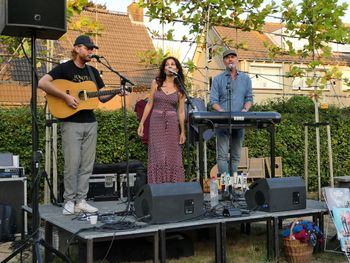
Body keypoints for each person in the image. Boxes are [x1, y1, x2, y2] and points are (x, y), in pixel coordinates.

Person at [38, 35, 118, 215]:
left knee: (87, 165)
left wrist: (117, 92)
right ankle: (69, 200)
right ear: (76, 49)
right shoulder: (64, 68)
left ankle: (81, 200)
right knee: (72, 164)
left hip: (90, 123)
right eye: (88, 48)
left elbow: (101, 97)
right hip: (70, 122)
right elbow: (43, 83)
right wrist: (65, 96)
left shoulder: (93, 72)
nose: (91, 52)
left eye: (92, 49)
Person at [137, 56, 186, 184]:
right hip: (156, 122)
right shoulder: (156, 83)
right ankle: (157, 186)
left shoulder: (180, 88)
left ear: (177, 68)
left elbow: (181, 111)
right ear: (164, 69)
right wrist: (141, 123)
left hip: (172, 123)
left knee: (172, 155)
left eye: (173, 64)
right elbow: (149, 104)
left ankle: (173, 186)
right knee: (158, 156)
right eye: (167, 64)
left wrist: (183, 132)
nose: (170, 66)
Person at [210, 49, 253, 176]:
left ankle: (234, 184)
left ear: (237, 59)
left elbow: (249, 98)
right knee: (222, 155)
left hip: (239, 122)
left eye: (233, 57)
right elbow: (213, 101)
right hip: (222, 122)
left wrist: (245, 110)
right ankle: (226, 185)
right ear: (224, 61)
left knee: (236, 156)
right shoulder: (217, 79)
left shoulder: (246, 79)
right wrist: (222, 112)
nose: (230, 59)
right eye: (227, 57)